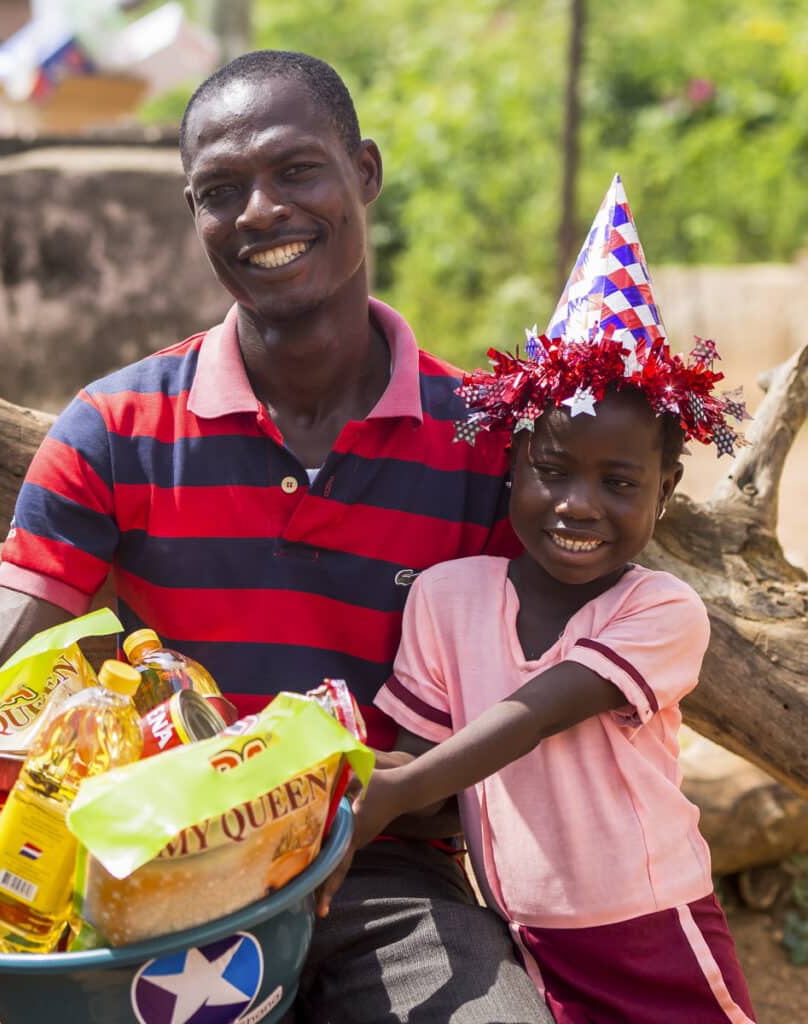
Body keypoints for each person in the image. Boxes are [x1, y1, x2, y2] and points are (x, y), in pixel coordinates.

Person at [0, 51, 553, 1022]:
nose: (258, 209)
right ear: (192, 211)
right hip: (143, 894)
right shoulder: (114, 428)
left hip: (384, 878)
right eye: (221, 190)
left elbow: (561, 681)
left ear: (366, 173)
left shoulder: (483, 443)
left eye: (295, 169)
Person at [317, 176, 756, 1023]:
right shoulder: (447, 599)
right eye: (552, 471)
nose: (578, 504)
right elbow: (425, 771)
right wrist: (328, 785)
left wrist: (397, 792)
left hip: (653, 929)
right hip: (531, 935)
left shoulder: (661, 612)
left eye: (619, 482)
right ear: (510, 466)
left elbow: (531, 714)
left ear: (665, 493)